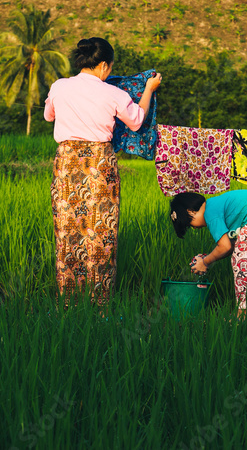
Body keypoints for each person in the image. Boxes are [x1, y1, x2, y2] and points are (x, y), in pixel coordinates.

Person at [44, 37, 161, 306]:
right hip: (100, 163)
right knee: (101, 233)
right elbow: (137, 122)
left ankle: (69, 301)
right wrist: (149, 89)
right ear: (104, 66)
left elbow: (49, 116)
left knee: (68, 230)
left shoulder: (59, 86)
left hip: (67, 162)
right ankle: (99, 303)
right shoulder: (114, 93)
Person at [170, 189, 247, 317]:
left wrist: (205, 262)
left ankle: (242, 315)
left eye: (189, 224)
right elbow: (231, 245)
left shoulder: (209, 212)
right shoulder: (217, 204)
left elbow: (224, 247)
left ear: (190, 212)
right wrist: (208, 257)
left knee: (242, 262)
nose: (194, 228)